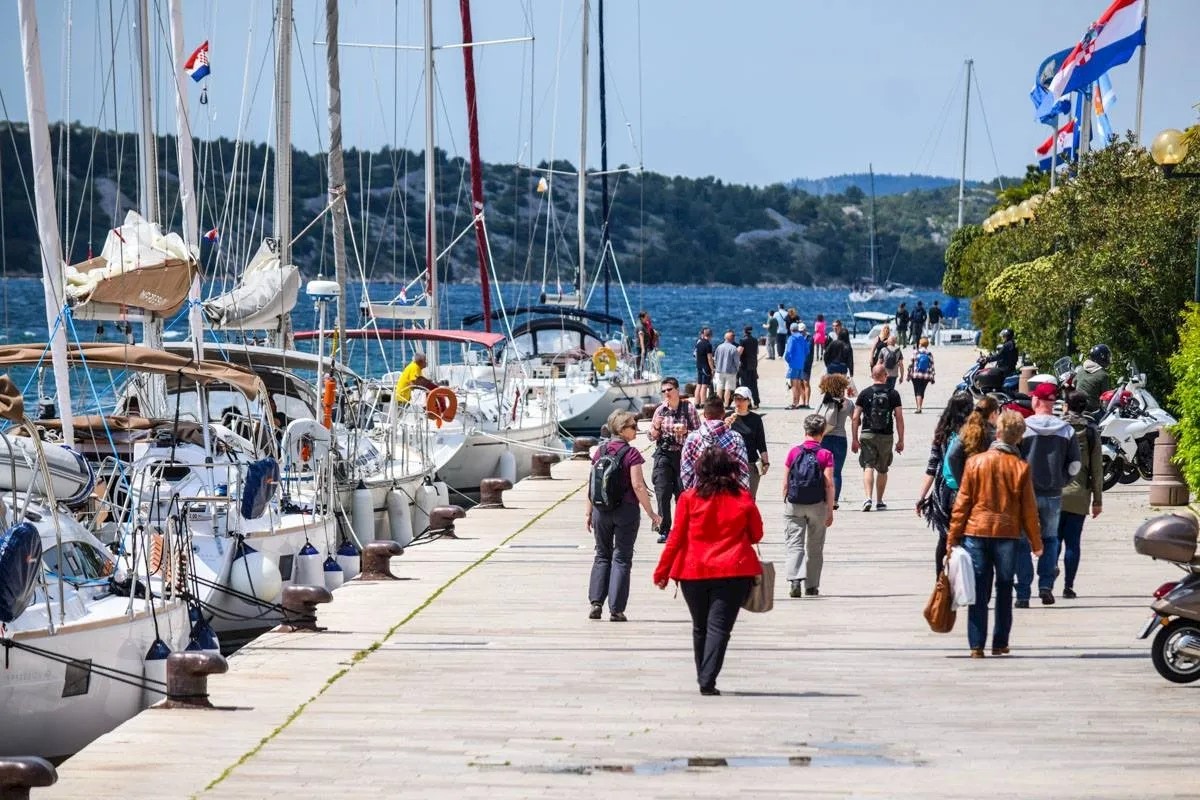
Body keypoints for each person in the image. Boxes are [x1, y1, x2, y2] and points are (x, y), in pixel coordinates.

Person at [653, 447, 763, 696]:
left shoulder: (688, 498)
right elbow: (757, 534)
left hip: (694, 571)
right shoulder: (743, 497)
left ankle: (704, 674)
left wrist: (662, 571)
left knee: (700, 626)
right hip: (734, 571)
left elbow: (676, 538)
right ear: (731, 470)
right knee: (719, 628)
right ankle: (707, 678)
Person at [947, 410, 1044, 658]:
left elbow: (963, 504)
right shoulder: (1020, 468)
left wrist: (952, 537)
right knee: (1004, 587)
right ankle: (1000, 643)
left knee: (979, 589)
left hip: (976, 533)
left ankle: (976, 645)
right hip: (1007, 534)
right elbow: (1028, 510)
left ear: (998, 432)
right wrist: (1035, 542)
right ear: (1019, 438)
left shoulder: (975, 462)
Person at [586, 410, 662, 621]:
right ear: (621, 429)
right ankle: (616, 609)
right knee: (621, 558)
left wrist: (589, 511)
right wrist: (651, 513)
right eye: (632, 427)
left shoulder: (600, 451)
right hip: (626, 511)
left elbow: (591, 484)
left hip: (601, 511)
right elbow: (638, 485)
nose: (635, 430)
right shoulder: (631, 454)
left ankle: (596, 602)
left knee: (602, 555)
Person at [1015, 381, 1081, 607]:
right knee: (1050, 539)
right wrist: (1063, 481)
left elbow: (1013, 460)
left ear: (1036, 401)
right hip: (1053, 493)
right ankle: (1045, 586)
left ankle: (1023, 593)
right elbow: (1074, 465)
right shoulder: (1067, 430)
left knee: (1023, 541)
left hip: (1026, 494)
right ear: (1053, 403)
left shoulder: (1022, 428)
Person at [915, 392, 975, 573]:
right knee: (967, 536)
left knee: (944, 537)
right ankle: (965, 578)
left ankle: (940, 579)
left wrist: (921, 497)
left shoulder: (942, 431)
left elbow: (932, 466)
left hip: (944, 492)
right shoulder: (974, 432)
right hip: (967, 489)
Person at [783, 414, 836, 597]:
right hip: (817, 504)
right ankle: (812, 585)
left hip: (795, 503)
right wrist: (829, 510)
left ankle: (795, 580)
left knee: (794, 543)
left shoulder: (793, 452)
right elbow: (829, 483)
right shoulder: (825, 454)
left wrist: (786, 500)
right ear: (822, 433)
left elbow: (785, 482)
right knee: (815, 546)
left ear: (805, 431)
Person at [1059, 390, 1103, 599]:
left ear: (1066, 406)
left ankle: (1047, 582)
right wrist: (1098, 500)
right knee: (1073, 543)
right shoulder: (1092, 431)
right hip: (1080, 494)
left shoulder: (1058, 427)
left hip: (1055, 493)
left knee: (1053, 541)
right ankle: (1068, 586)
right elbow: (1097, 470)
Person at [648, 377, 701, 544]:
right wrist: (656, 426)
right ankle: (664, 530)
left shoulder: (688, 408)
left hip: (683, 455)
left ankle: (681, 529)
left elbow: (699, 433)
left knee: (682, 494)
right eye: (663, 391)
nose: (666, 393)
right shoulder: (660, 410)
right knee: (662, 492)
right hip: (664, 453)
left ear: (677, 390)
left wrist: (686, 431)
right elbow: (651, 436)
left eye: (669, 390)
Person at [851, 364, 904, 512]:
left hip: (867, 433)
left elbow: (855, 418)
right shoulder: (893, 394)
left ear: (872, 376)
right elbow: (899, 417)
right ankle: (879, 501)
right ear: (885, 375)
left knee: (868, 465)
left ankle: (868, 498)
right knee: (882, 469)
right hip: (886, 435)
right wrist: (901, 440)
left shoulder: (864, 393)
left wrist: (855, 439)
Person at [681, 397, 750, 491]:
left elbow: (686, 471)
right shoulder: (735, 437)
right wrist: (741, 493)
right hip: (728, 495)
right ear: (723, 413)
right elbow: (743, 470)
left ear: (705, 415)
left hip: (701, 495)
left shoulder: (692, 438)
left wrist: (691, 492)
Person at [816, 372, 854, 509]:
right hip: (840, 439)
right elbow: (856, 419)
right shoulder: (848, 403)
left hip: (824, 438)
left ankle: (822, 497)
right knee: (837, 472)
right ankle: (835, 500)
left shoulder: (824, 401)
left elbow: (815, 418)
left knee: (821, 469)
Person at [726, 387, 768, 498]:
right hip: (731, 463)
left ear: (748, 401)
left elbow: (761, 443)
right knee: (731, 498)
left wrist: (766, 462)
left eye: (741, 399)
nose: (738, 402)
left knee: (749, 498)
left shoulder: (756, 419)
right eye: (735, 399)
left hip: (751, 463)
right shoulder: (727, 417)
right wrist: (725, 425)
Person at [1073, 344, 1112, 414]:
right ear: (1102, 357)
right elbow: (1106, 398)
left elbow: (1074, 383)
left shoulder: (1081, 369)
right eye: (1107, 356)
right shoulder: (1103, 375)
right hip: (1091, 411)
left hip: (1076, 407)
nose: (1108, 358)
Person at [783, 323, 811, 410]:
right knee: (798, 383)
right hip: (801, 364)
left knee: (794, 384)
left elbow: (788, 351)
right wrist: (802, 358)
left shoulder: (792, 338)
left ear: (791, 330)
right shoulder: (802, 338)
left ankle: (794, 403)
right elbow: (807, 351)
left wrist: (788, 360)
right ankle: (797, 402)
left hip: (793, 363)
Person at [712, 330, 741, 408]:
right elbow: (736, 361)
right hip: (730, 371)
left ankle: (718, 404)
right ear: (731, 338)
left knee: (719, 387)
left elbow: (715, 358)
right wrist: (737, 369)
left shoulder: (719, 347)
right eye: (733, 336)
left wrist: (716, 367)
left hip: (719, 370)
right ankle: (726, 404)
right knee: (728, 388)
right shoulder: (733, 348)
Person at [907, 336, 935, 414]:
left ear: (920, 344)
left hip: (915, 374)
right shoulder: (929, 353)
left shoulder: (916, 352)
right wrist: (932, 377)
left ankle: (918, 408)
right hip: (926, 376)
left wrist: (908, 375)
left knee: (917, 391)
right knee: (922, 391)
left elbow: (910, 364)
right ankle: (919, 407)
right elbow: (932, 366)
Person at [736, 326, 760, 407]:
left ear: (744, 331)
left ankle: (747, 404)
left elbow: (739, 352)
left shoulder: (742, 340)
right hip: (753, 365)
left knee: (745, 385)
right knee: (754, 385)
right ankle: (756, 402)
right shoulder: (755, 340)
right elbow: (757, 352)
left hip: (745, 365)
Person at [692, 327, 715, 406]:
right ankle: (703, 402)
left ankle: (696, 402)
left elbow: (695, 355)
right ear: (710, 335)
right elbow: (709, 358)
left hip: (699, 365)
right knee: (704, 386)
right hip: (705, 366)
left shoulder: (698, 343)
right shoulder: (708, 345)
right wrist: (712, 369)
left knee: (699, 384)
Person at [636, 310, 658, 377]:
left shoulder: (644, 323)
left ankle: (640, 373)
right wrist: (643, 349)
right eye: (646, 317)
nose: (648, 318)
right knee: (640, 360)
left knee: (642, 360)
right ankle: (638, 374)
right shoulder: (640, 326)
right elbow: (641, 337)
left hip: (646, 344)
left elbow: (649, 329)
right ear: (642, 318)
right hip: (640, 346)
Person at [798, 322, 815, 408]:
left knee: (806, 383)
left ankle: (807, 402)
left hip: (806, 364)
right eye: (799, 331)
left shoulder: (810, 338)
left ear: (805, 330)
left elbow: (807, 351)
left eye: (802, 331)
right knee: (800, 383)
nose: (801, 333)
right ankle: (803, 401)